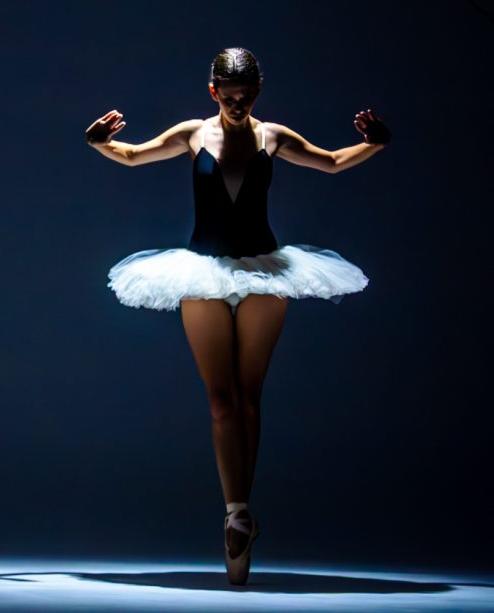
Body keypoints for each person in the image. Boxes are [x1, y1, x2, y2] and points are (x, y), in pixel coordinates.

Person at [84, 47, 389, 585]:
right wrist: (100, 144)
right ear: (212, 92)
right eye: (228, 97)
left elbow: (332, 161)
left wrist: (375, 144)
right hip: (200, 272)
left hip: (266, 272)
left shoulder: (273, 136)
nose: (237, 105)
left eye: (246, 97)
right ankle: (236, 515)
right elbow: (133, 155)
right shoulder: (193, 133)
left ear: (258, 93)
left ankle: (241, 512)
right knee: (221, 401)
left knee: (249, 397)